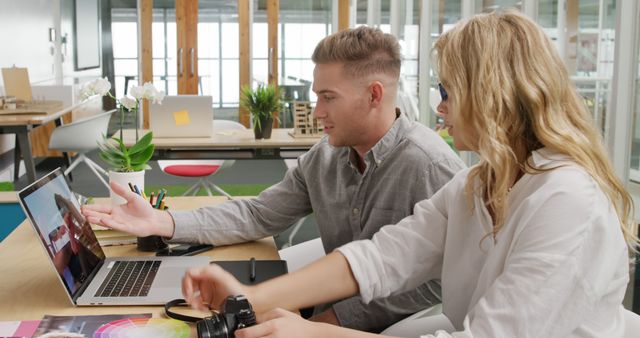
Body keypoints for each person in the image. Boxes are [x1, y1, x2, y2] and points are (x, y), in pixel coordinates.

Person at [178, 10, 640, 338]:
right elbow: (383, 257)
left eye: (448, 91)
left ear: (493, 96)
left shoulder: (566, 202)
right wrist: (247, 298)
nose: (439, 106)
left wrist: (314, 332)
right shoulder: (476, 183)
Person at [82, 26, 464, 332]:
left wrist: (327, 323)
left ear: (374, 95)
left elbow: (437, 280)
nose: (316, 112)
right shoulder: (327, 154)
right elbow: (260, 213)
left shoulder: (430, 165)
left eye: (328, 97)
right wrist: (163, 222)